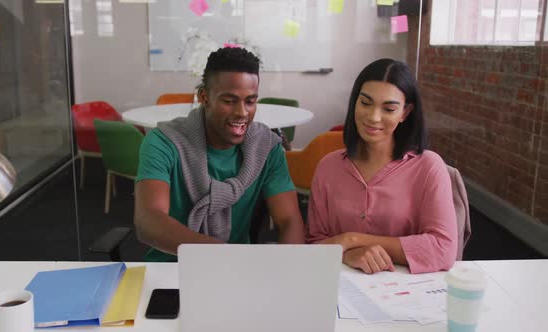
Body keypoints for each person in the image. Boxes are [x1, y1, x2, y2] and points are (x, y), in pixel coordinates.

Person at [134, 47, 305, 261]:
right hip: (171, 269)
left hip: (237, 271)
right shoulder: (163, 142)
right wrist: (222, 255)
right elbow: (148, 220)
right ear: (204, 97)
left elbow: (289, 220)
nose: (242, 112)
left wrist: (288, 270)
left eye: (250, 101)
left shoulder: (267, 148)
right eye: (229, 101)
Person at [306, 59, 457, 274]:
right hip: (340, 289)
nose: (373, 117)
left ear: (405, 112)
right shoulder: (328, 168)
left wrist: (353, 239)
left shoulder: (429, 167)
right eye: (365, 103)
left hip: (406, 291)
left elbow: (443, 249)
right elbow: (314, 244)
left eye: (388, 108)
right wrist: (348, 253)